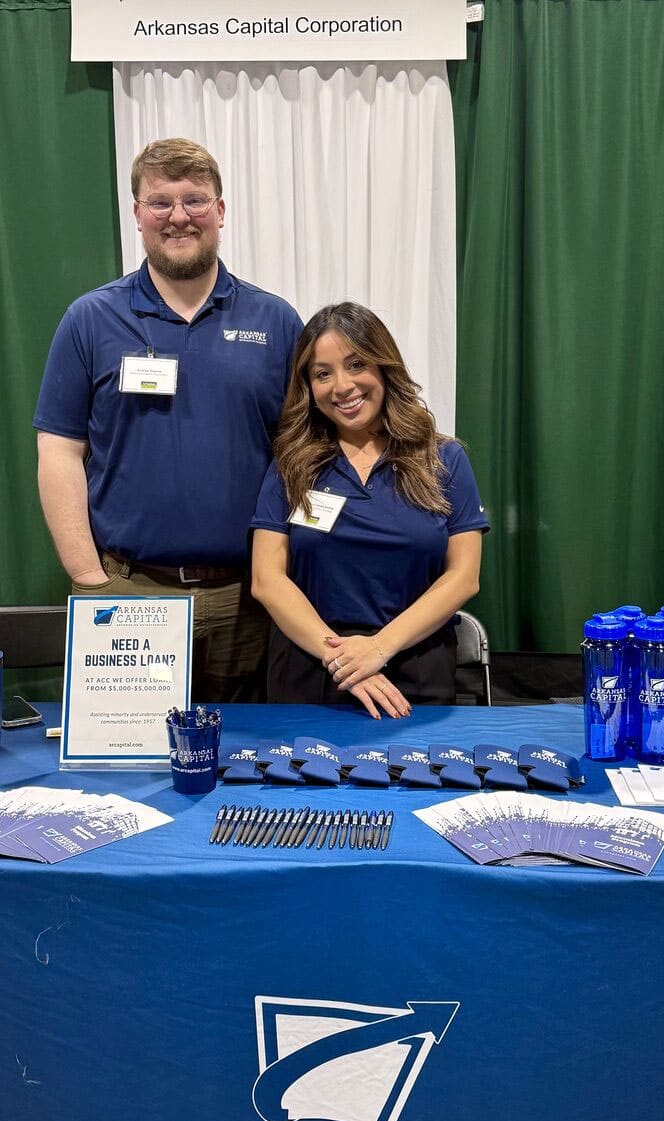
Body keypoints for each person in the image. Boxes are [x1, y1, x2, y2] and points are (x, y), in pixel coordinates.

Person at [34, 137, 302, 701]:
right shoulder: (90, 319)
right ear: (137, 214)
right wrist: (91, 581)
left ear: (221, 211)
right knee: (127, 773)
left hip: (249, 599)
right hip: (128, 595)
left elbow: (301, 454)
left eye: (195, 200)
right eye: (160, 202)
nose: (178, 216)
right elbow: (59, 452)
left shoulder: (275, 321)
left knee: (245, 766)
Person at [250, 302, 487, 720]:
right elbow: (267, 580)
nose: (341, 386)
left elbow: (463, 578)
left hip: (416, 669)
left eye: (356, 364)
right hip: (311, 669)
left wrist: (379, 648)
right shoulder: (291, 463)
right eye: (323, 373)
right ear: (309, 386)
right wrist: (345, 660)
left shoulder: (444, 459)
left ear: (383, 367)